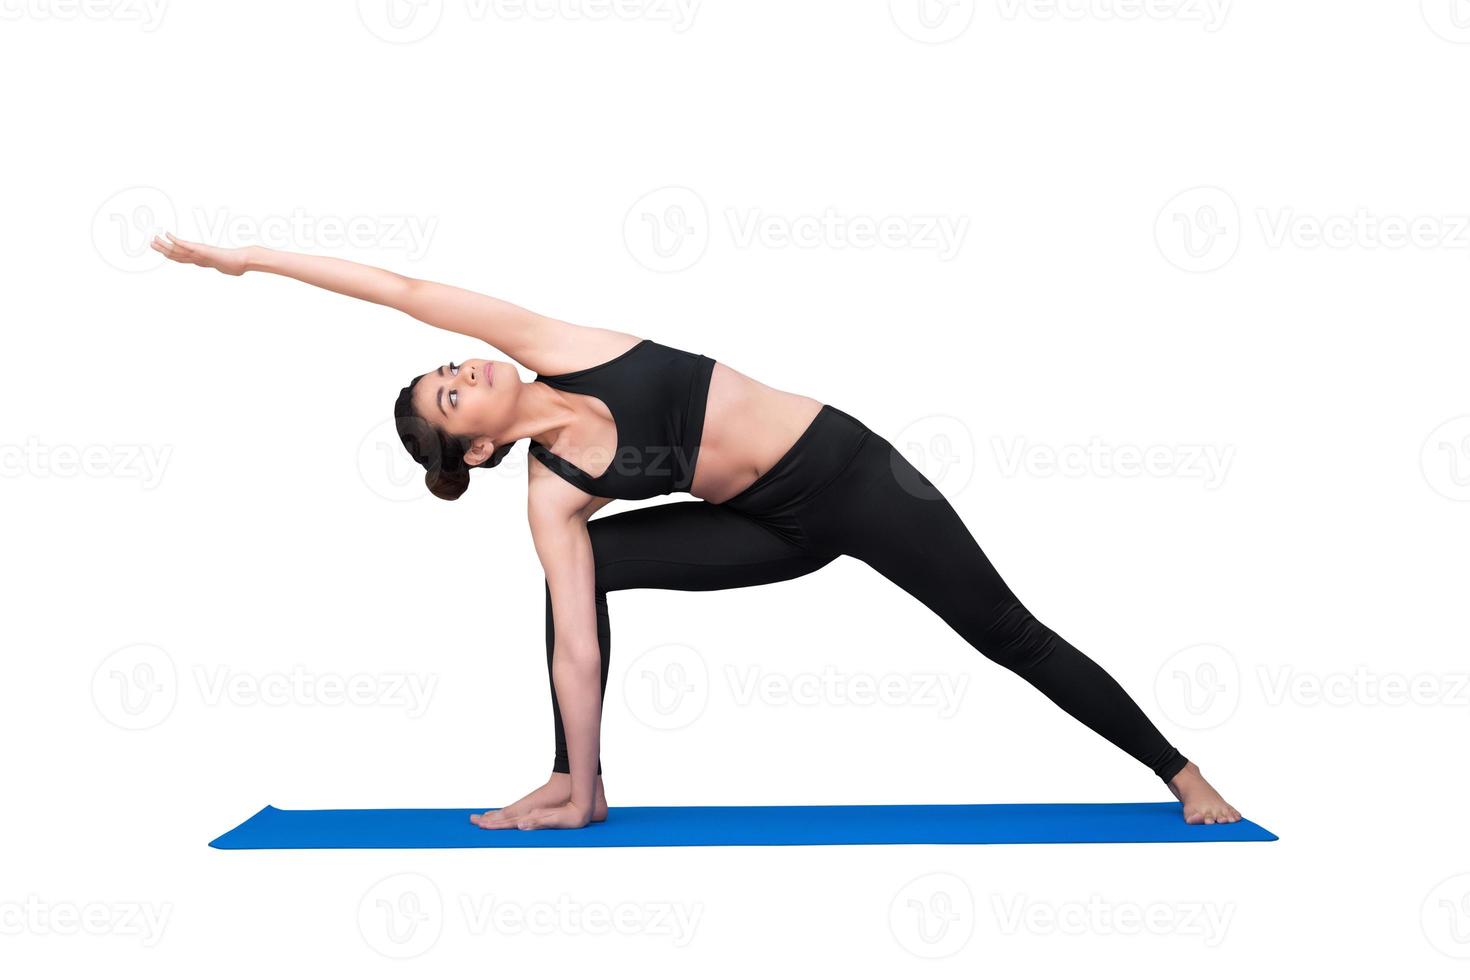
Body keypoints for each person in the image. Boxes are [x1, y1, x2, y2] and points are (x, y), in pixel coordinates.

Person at [152, 233, 1244, 832]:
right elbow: (575, 643)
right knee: (581, 577)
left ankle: (1182, 769)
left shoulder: (556, 344)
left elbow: (403, 287)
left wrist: (250, 260)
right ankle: (579, 788)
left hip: (852, 474)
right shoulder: (548, 493)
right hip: (767, 526)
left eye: (447, 368)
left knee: (1003, 627)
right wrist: (579, 767)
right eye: (450, 397)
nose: (462, 370)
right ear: (473, 453)